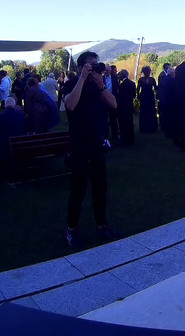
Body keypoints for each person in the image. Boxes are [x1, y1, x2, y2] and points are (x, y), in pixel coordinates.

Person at [62, 51, 119, 248]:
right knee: (78, 190)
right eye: (90, 64)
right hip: (79, 145)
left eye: (96, 64)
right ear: (80, 67)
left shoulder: (98, 86)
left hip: (97, 144)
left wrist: (101, 85)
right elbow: (70, 105)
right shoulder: (71, 84)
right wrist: (82, 79)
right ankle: (71, 229)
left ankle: (102, 225)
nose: (95, 67)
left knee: (100, 188)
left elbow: (113, 104)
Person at [117, 70, 136, 145]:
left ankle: (125, 139)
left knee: (123, 123)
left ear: (122, 75)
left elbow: (119, 96)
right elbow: (134, 95)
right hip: (129, 105)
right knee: (130, 123)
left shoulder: (121, 86)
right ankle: (131, 139)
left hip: (122, 107)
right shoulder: (132, 83)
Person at [136, 66, 158, 134]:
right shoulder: (152, 79)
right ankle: (151, 127)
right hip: (149, 96)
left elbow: (137, 89)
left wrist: (139, 96)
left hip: (144, 96)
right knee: (149, 111)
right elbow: (155, 88)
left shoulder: (141, 79)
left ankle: (145, 127)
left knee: (145, 112)